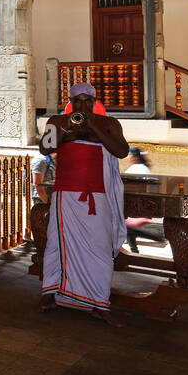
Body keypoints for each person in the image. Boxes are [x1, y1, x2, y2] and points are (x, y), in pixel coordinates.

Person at [37, 81, 131, 326]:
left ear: (95, 101)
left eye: (87, 100)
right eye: (77, 100)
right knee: (57, 244)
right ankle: (50, 293)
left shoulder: (109, 123)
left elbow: (121, 151)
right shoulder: (57, 121)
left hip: (97, 194)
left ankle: (99, 303)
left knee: (100, 249)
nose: (82, 104)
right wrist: (67, 129)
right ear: (69, 102)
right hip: (65, 194)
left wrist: (94, 128)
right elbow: (44, 147)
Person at [122, 147, 163, 253]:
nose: (128, 158)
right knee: (129, 230)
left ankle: (158, 235)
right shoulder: (143, 168)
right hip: (143, 206)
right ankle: (134, 251)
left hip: (135, 207)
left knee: (127, 227)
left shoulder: (135, 169)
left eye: (130, 155)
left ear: (134, 157)